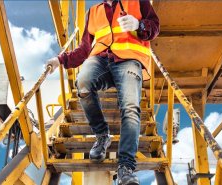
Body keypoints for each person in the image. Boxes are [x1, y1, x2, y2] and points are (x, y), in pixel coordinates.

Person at [46, 0, 159, 184]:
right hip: (100, 60)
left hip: (129, 59)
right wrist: (59, 60)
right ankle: (102, 135)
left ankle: (126, 167)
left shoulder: (138, 2)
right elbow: (84, 49)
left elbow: (155, 27)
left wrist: (139, 25)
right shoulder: (93, 12)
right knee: (82, 82)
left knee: (130, 108)